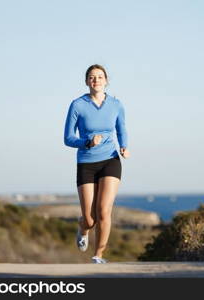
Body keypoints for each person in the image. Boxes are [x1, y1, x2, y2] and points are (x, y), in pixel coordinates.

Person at [64, 64, 130, 264]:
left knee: (104, 211)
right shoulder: (77, 105)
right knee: (90, 219)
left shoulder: (116, 105)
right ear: (86, 82)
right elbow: (67, 138)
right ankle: (82, 228)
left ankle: (98, 254)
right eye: (92, 77)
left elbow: (122, 129)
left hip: (110, 160)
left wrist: (124, 147)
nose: (96, 80)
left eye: (100, 77)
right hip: (86, 162)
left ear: (106, 80)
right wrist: (86, 142)